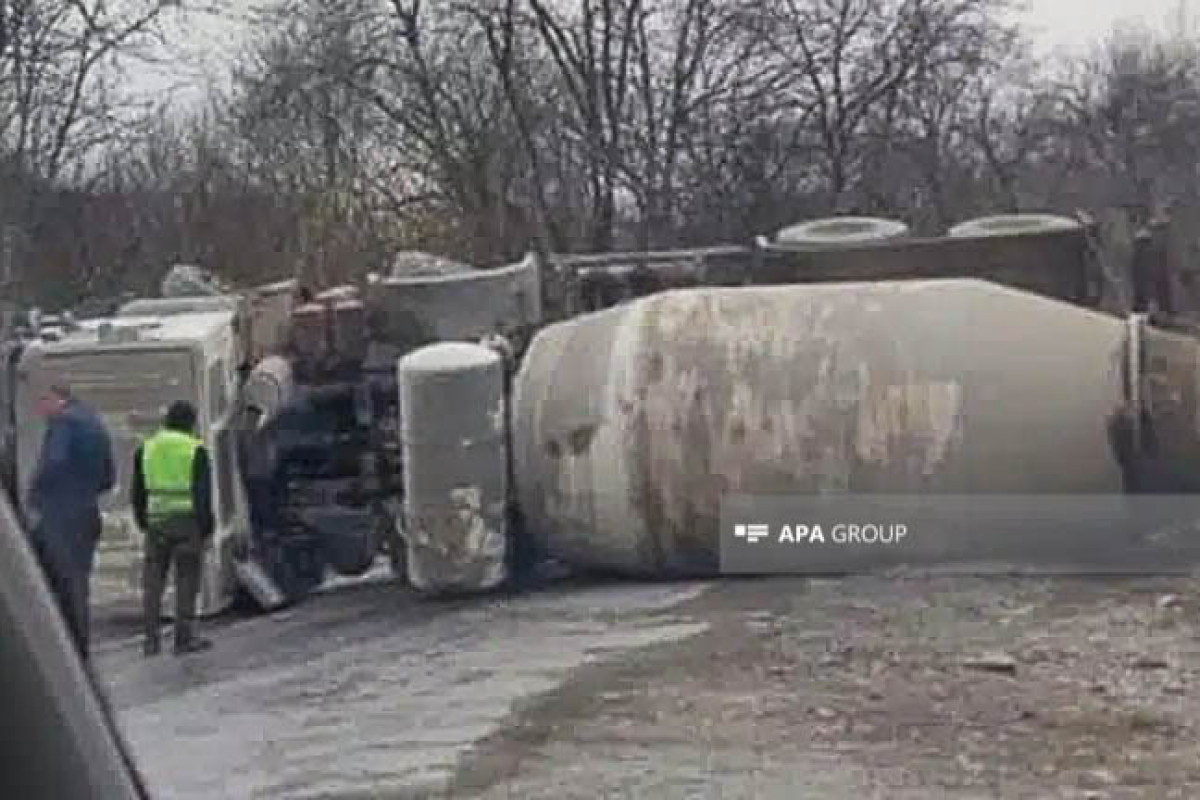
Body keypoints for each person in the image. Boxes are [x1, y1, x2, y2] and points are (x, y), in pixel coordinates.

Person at [27, 383, 115, 662]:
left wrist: (35, 494)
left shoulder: (63, 423)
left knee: (58, 581)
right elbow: (108, 477)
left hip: (60, 516)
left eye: (42, 403)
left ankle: (67, 650)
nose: (40, 411)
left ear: (56, 399)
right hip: (86, 513)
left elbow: (53, 462)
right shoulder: (94, 421)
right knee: (79, 581)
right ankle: (80, 646)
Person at [131, 401, 214, 656]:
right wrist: (207, 528)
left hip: (156, 523)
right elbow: (203, 495)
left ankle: (151, 641)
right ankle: (183, 639)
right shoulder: (195, 450)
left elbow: (138, 492)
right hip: (187, 523)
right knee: (186, 581)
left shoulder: (146, 448)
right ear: (190, 423)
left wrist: (143, 521)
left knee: (153, 584)